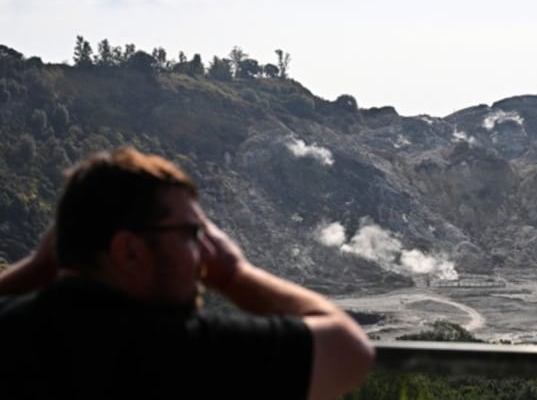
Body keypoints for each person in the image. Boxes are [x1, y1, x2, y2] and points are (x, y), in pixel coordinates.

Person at [0, 147, 374, 399]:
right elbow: (349, 349)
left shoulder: (15, 331)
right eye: (192, 234)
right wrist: (235, 274)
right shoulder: (182, 348)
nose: (204, 253)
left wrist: (34, 269)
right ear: (129, 250)